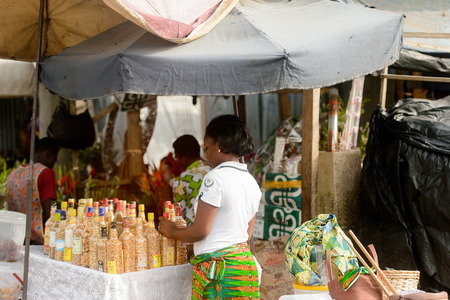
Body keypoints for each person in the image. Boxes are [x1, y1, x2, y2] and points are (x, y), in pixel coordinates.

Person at [159, 115, 261, 299]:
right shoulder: (251, 182)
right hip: (244, 271)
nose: (205, 154)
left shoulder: (215, 178)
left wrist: (173, 231)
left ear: (220, 145)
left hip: (218, 275)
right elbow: (246, 234)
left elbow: (201, 230)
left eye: (207, 148)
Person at [7, 137, 59, 244]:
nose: (54, 162)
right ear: (49, 154)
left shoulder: (15, 173)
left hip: (15, 239)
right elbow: (50, 214)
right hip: (37, 241)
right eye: (55, 158)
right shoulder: (46, 173)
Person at [172, 134, 211, 225]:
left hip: (193, 235)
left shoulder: (181, 180)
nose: (177, 161)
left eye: (177, 158)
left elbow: (178, 218)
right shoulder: (214, 171)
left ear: (185, 158)